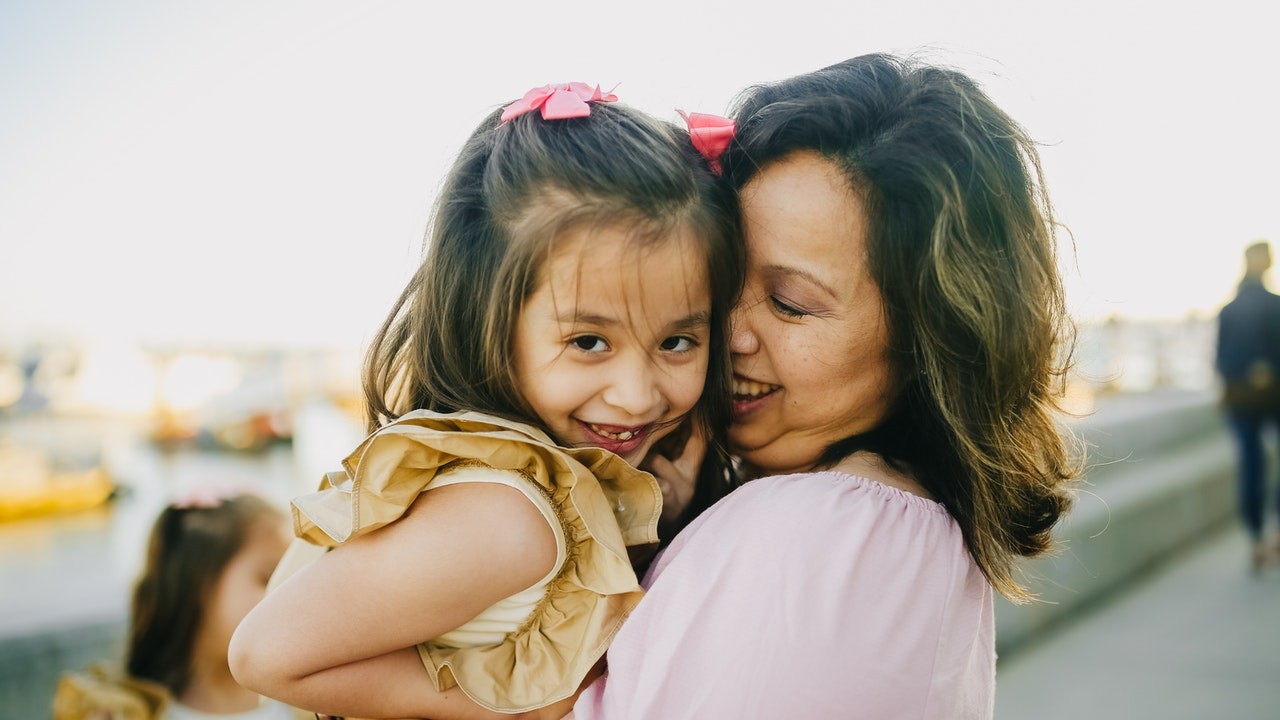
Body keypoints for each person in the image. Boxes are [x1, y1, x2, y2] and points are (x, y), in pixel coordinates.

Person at [571, 53, 1081, 719]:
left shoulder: (817, 540)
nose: (730, 332)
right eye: (720, 280)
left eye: (789, 303)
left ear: (927, 339)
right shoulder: (894, 529)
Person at [228, 82, 742, 720]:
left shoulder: (526, 484)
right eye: (589, 341)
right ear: (486, 322)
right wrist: (521, 710)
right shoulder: (506, 519)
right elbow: (263, 655)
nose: (638, 395)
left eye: (677, 341)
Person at [52, 488, 299, 720]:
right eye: (268, 577)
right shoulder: (120, 711)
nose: (288, 594)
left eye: (294, 577)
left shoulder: (303, 702)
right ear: (196, 585)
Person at [1215, 239, 1280, 572]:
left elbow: (1221, 362)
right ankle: (1267, 535)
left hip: (1239, 398)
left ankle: (1257, 537)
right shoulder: (1272, 305)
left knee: (1250, 466)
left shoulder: (1229, 308)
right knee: (1254, 466)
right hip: (1269, 396)